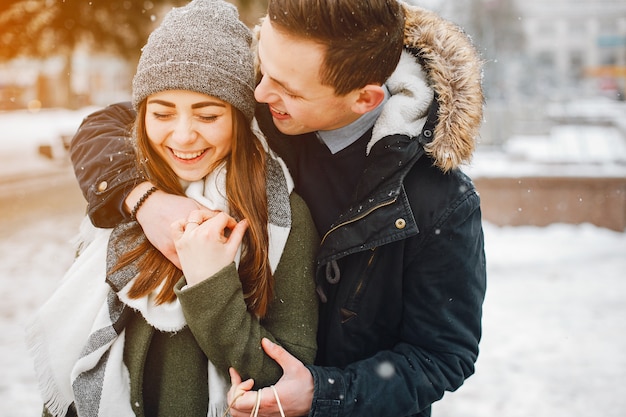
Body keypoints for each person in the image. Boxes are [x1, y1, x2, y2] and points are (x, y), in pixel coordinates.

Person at [68, 0, 487, 416]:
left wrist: (324, 393)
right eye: (263, 67)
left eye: (287, 88)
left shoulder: (440, 203)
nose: (259, 92)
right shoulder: (265, 92)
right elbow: (106, 127)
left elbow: (441, 356)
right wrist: (145, 200)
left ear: (364, 99)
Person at [26, 1, 318, 416]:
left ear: (239, 117)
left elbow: (284, 377)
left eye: (208, 114)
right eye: (162, 113)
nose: (183, 136)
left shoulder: (281, 215)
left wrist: (211, 283)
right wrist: (144, 201)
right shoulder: (125, 193)